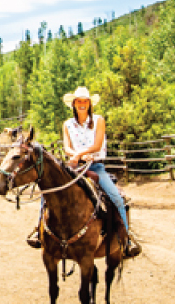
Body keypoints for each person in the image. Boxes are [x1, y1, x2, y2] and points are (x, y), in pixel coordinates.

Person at [27, 86, 140, 258]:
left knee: (115, 197)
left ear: (89, 104)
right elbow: (67, 147)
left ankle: (127, 237)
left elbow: (97, 145)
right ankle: (39, 230)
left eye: (85, 101)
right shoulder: (68, 125)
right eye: (78, 101)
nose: (82, 104)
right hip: (74, 167)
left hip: (95, 166)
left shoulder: (98, 120)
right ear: (74, 104)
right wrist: (74, 156)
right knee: (48, 192)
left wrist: (80, 154)